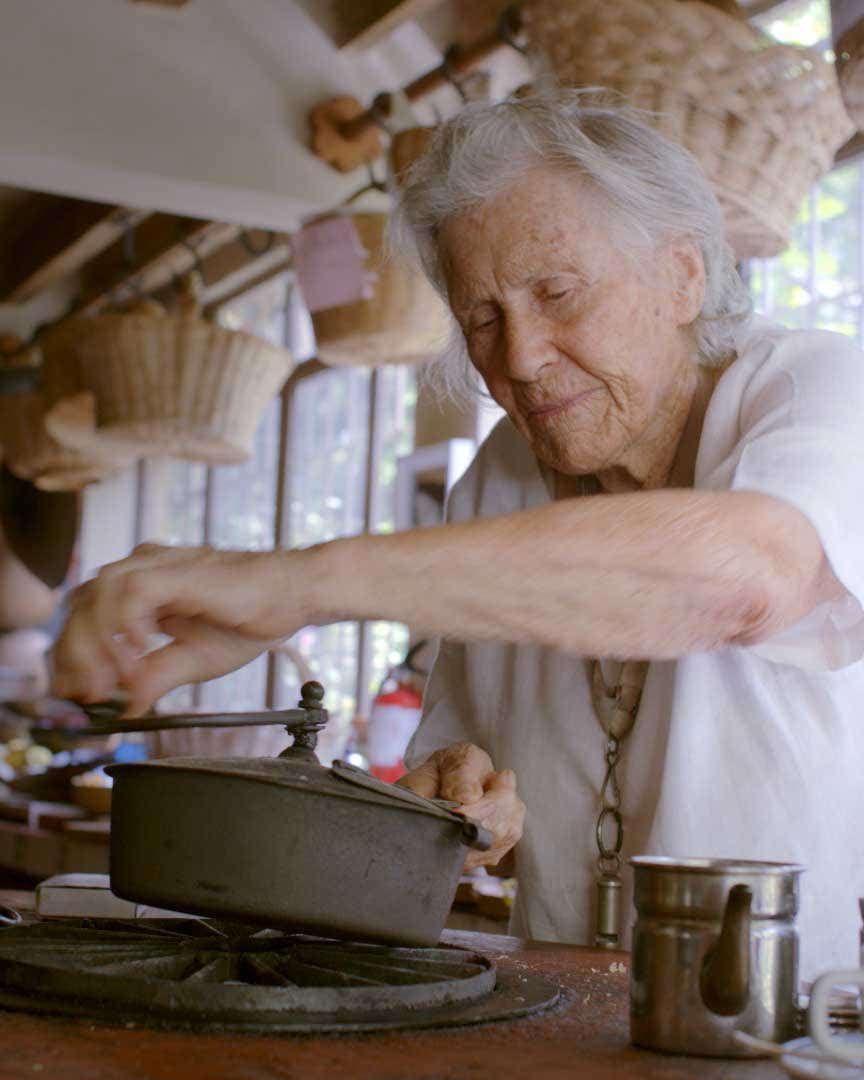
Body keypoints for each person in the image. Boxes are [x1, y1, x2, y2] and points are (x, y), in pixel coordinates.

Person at [52, 90, 864, 980]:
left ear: (682, 276)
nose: (518, 357)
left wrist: (299, 584)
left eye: (557, 292)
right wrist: (465, 793)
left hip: (798, 1029)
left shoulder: (817, 388)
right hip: (567, 1023)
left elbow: (749, 572)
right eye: (482, 319)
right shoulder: (501, 477)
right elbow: (462, 764)